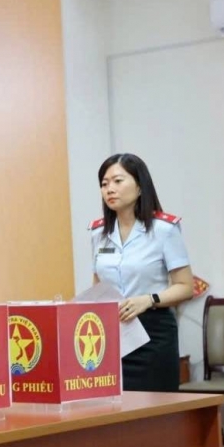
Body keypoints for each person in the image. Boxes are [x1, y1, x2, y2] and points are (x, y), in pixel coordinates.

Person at [90, 153, 193, 392]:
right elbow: (98, 284)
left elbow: (185, 287)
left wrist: (148, 300)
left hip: (153, 333)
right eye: (104, 184)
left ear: (139, 187)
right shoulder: (98, 233)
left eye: (118, 181)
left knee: (155, 407)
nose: (109, 189)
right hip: (113, 333)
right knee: (115, 407)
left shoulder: (164, 229)